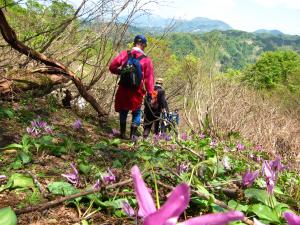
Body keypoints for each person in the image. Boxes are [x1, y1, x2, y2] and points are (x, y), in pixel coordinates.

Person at [109, 35, 154, 139]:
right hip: (137, 91)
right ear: (143, 45)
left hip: (124, 87)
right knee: (136, 112)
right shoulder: (146, 60)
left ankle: (122, 133)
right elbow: (149, 79)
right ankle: (132, 136)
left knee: (123, 110)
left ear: (134, 43)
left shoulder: (125, 54)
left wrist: (121, 72)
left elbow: (112, 67)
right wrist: (151, 94)